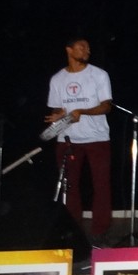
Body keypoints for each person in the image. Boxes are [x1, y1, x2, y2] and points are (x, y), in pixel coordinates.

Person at [45, 36, 114, 242]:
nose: (87, 51)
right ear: (69, 50)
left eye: (88, 48)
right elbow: (57, 109)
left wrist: (82, 111)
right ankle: (73, 231)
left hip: (97, 138)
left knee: (101, 185)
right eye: (82, 47)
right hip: (67, 139)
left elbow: (106, 106)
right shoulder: (57, 79)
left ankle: (100, 231)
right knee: (70, 186)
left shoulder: (98, 75)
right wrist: (59, 115)